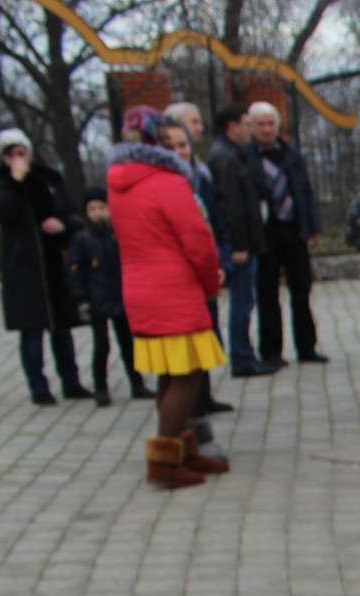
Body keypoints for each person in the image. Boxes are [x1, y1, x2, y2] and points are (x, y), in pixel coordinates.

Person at [108, 107, 227, 489]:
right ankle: (163, 462)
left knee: (170, 373)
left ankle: (181, 450)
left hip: (140, 288)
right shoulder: (168, 182)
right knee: (188, 375)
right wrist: (210, 281)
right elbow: (197, 239)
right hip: (174, 289)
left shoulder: (119, 183)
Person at [0, 128, 89, 405]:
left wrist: (63, 225)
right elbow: (2, 210)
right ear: (3, 158)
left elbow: (73, 214)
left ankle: (71, 381)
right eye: (10, 154)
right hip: (25, 267)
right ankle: (39, 387)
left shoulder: (49, 179)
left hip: (55, 263)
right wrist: (15, 182)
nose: (17, 159)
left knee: (62, 328)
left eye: (21, 152)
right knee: (32, 330)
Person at [163, 101, 236, 415]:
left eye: (183, 145)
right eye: (172, 146)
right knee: (186, 349)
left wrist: (222, 262)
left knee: (206, 336)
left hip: (206, 269)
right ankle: (188, 412)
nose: (180, 151)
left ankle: (203, 398)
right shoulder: (164, 185)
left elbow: (215, 224)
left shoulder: (198, 177)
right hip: (179, 277)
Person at [247, 101, 328, 367]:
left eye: (271, 124)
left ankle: (307, 347)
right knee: (268, 294)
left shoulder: (290, 153)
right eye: (261, 124)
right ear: (252, 128)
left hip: (294, 228)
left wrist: (313, 225)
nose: (267, 129)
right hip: (266, 230)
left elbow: (305, 190)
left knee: (302, 290)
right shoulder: (247, 156)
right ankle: (271, 352)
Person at [64, 187, 147, 406]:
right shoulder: (82, 238)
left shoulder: (118, 234)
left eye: (101, 208)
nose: (97, 213)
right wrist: (81, 299)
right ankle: (100, 386)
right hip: (96, 299)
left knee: (128, 343)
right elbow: (74, 270)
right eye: (92, 209)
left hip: (120, 296)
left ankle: (137, 383)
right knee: (102, 345)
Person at [208, 102, 269, 377]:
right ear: (232, 127)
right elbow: (231, 205)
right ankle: (241, 357)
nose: (251, 130)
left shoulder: (235, 154)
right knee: (242, 302)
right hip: (240, 245)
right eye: (247, 124)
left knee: (246, 301)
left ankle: (246, 353)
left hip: (247, 240)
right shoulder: (226, 159)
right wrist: (239, 245)